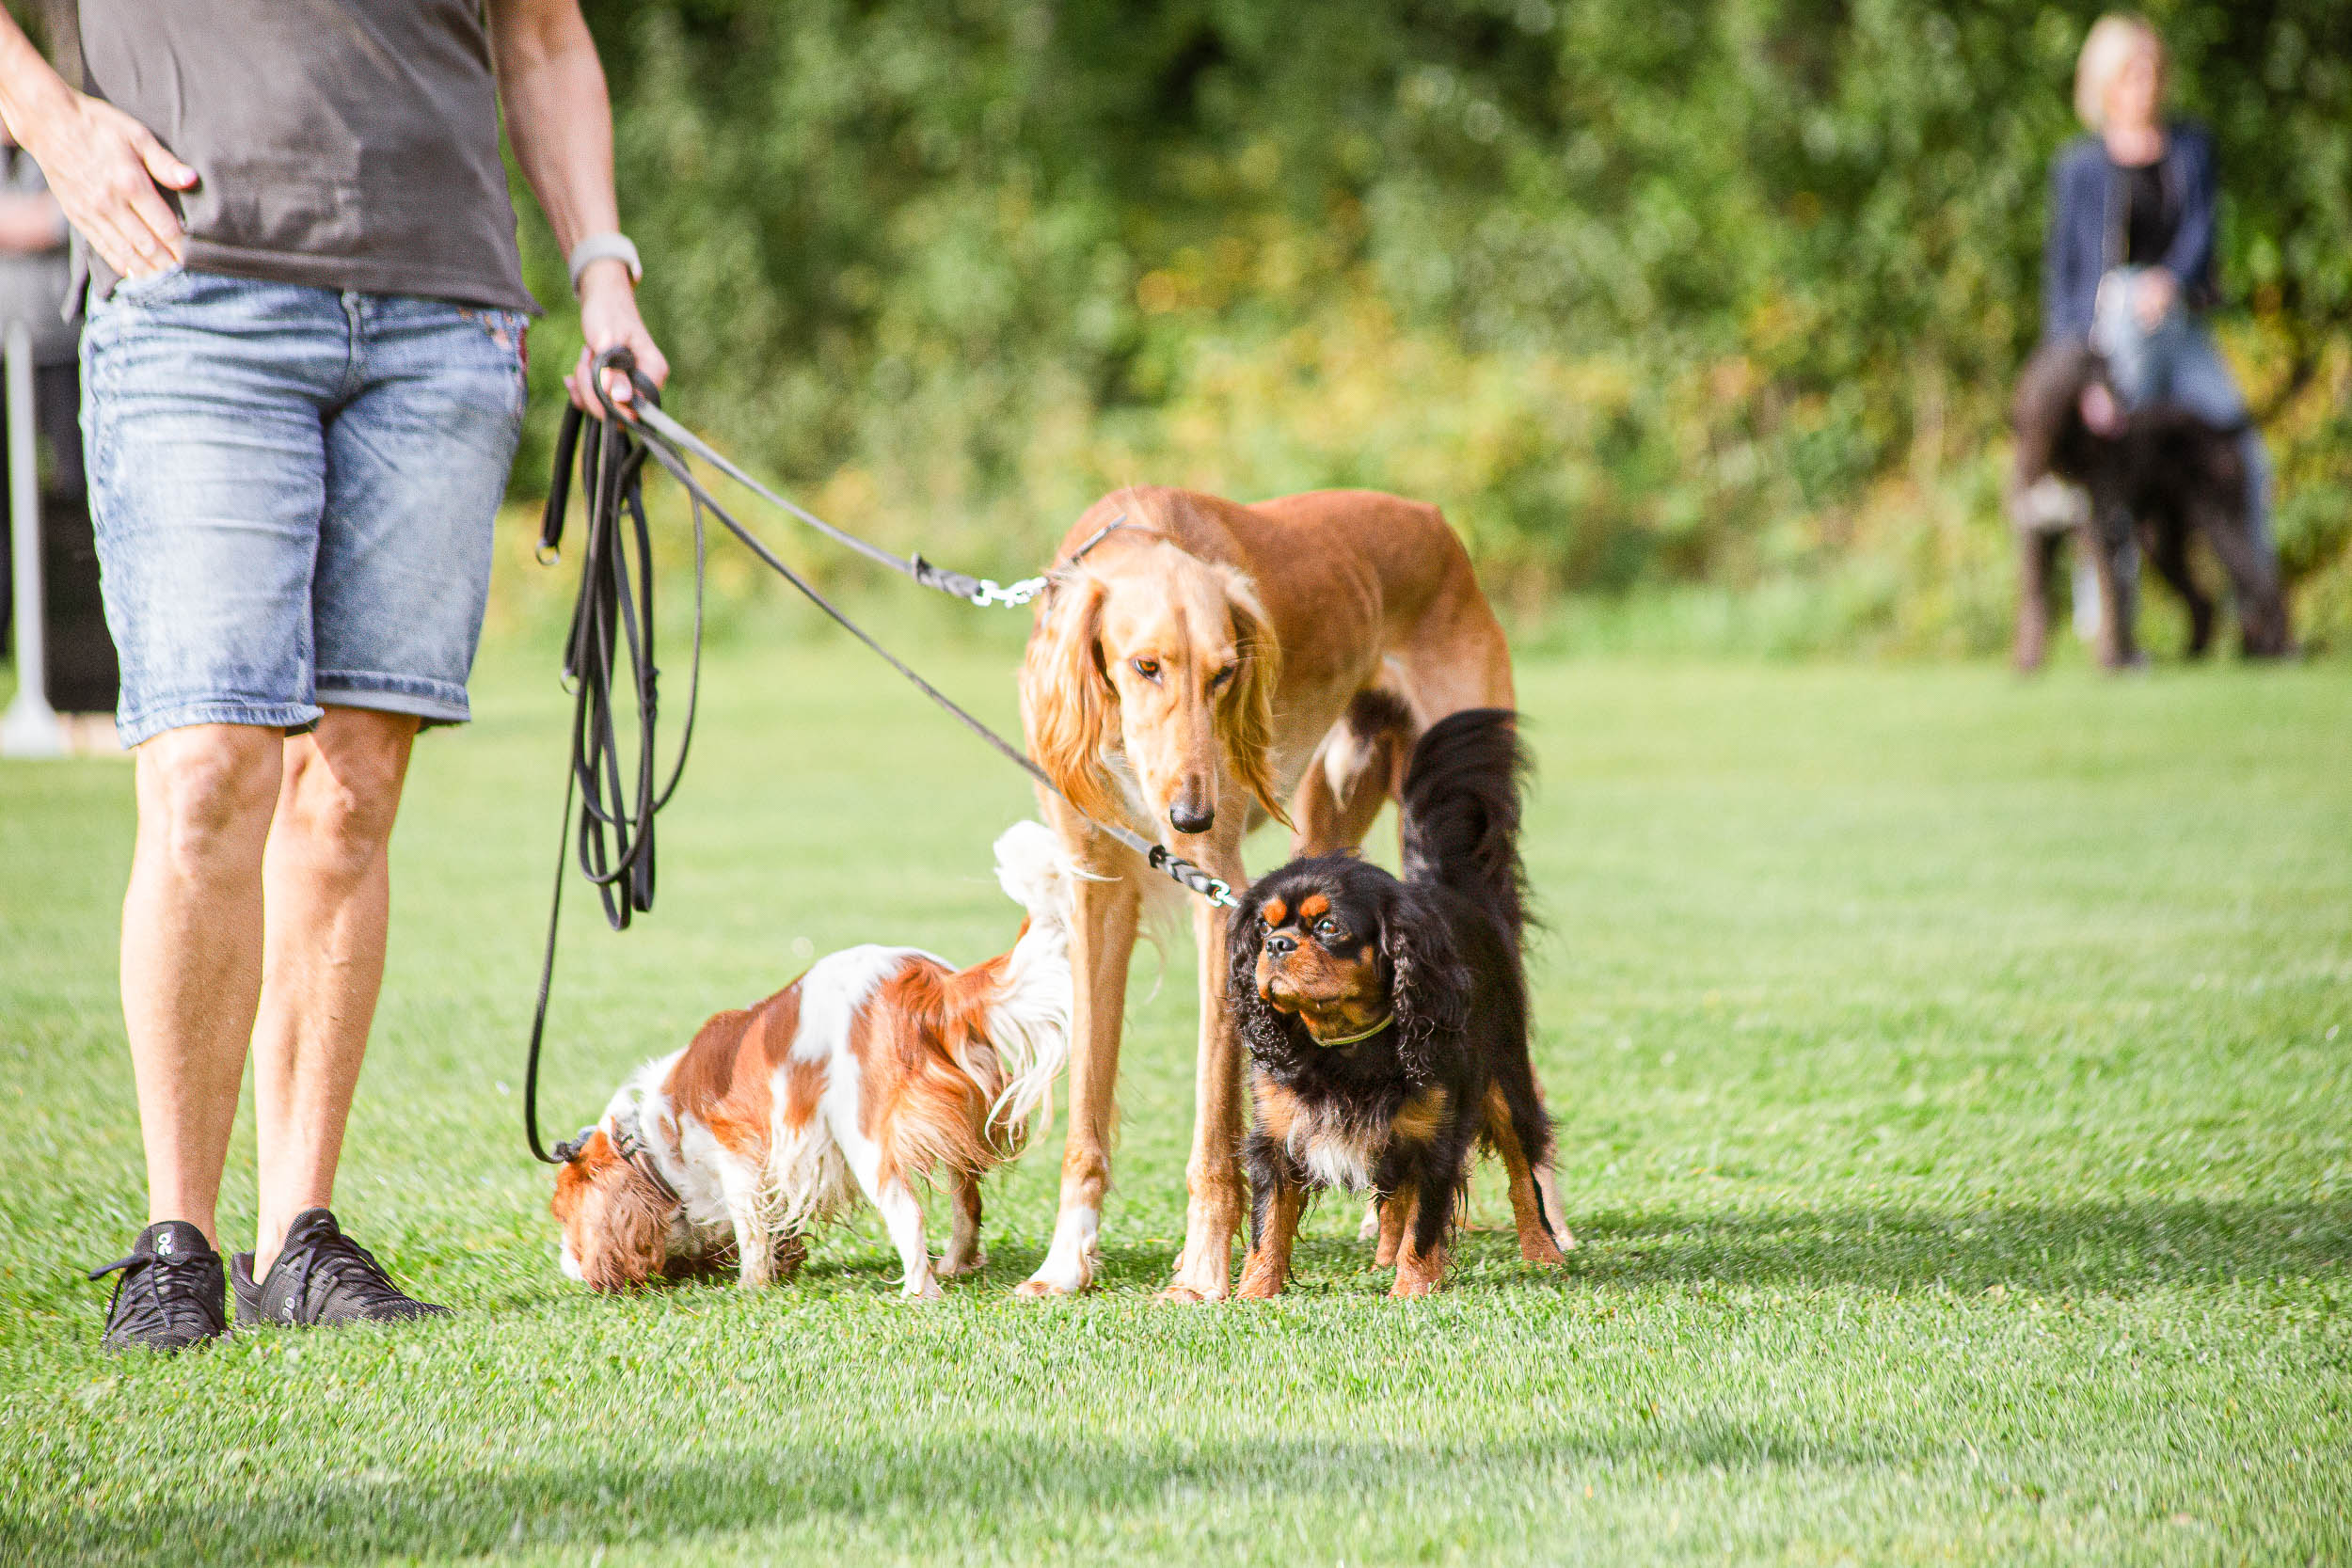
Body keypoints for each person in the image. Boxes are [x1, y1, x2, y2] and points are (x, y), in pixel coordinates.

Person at [0, 0, 668, 1350]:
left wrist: (603, 269)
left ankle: (298, 1233)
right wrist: (54, 126)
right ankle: (175, 1239)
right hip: (194, 290)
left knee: (353, 787)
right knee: (205, 767)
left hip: (444, 321)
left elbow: (541, 37)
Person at [2041, 12, 2281, 650]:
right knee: (2110, 480)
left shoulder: (2191, 147)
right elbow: (2064, 280)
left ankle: (2263, 620)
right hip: (2115, 338)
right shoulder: (2080, 166)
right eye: (2132, 70)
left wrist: (2168, 281)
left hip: (2184, 326)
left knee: (2245, 461)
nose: (2146, 82)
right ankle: (2109, 629)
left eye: (2153, 68)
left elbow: (2203, 236)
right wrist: (2086, 380)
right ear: (2105, 81)